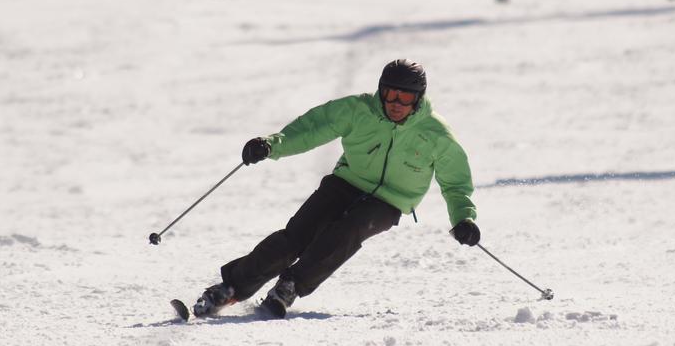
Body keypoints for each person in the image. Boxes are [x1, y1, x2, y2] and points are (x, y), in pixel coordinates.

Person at [190, 59, 480, 319]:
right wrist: (270, 145)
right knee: (298, 234)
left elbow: (455, 183)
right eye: (390, 93)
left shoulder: (436, 134)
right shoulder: (359, 110)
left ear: (418, 99)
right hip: (346, 181)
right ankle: (231, 287)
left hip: (390, 200)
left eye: (405, 96)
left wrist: (463, 220)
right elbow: (313, 128)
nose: (396, 103)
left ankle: (291, 286)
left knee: (348, 231)